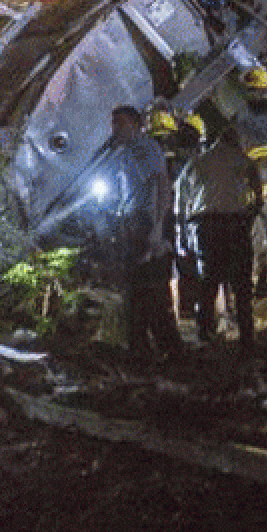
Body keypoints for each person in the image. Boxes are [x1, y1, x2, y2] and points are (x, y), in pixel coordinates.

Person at [174, 125, 263, 367]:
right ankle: (247, 339)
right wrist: (253, 212)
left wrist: (183, 234)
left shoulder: (198, 162)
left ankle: (206, 335)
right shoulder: (241, 160)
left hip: (206, 226)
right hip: (235, 225)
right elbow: (257, 187)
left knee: (208, 284)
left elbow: (181, 198)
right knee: (242, 286)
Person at [108, 105, 184, 365]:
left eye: (119, 123)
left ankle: (160, 348)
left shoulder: (144, 148)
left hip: (144, 223)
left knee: (147, 289)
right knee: (140, 290)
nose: (114, 129)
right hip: (134, 222)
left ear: (134, 124)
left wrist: (156, 229)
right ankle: (147, 347)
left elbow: (159, 185)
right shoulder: (127, 152)